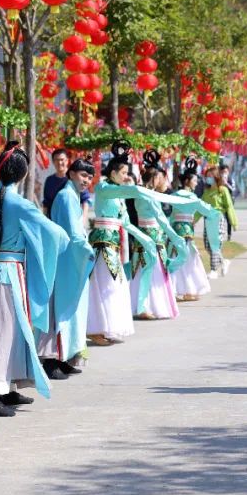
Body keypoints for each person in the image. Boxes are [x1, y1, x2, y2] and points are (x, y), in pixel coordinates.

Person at [0, 146, 68, 417]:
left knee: (8, 330)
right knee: (4, 332)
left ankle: (5, 386)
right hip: (9, 273)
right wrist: (70, 244)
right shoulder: (19, 203)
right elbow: (52, 233)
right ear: (24, 173)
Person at [87, 143, 157, 346]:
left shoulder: (117, 193)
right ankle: (95, 328)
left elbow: (125, 222)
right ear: (114, 172)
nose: (126, 176)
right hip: (102, 243)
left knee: (114, 286)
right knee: (103, 285)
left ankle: (105, 327)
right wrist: (140, 190)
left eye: (127, 172)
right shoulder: (103, 188)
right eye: (123, 172)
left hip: (113, 244)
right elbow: (130, 191)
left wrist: (145, 238)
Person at [36, 158, 96, 381]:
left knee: (72, 308)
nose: (86, 181)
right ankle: (52, 359)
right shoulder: (65, 196)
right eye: (83, 175)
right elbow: (72, 232)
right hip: (65, 259)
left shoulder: (72, 195)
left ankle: (64, 357)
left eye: (90, 178)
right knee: (60, 308)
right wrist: (88, 251)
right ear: (71, 173)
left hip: (71, 258)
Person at [129, 151, 190, 321]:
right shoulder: (150, 195)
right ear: (155, 178)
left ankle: (137, 305)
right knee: (153, 269)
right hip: (153, 236)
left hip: (142, 234)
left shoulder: (138, 193)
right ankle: (147, 306)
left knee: (141, 269)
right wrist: (174, 236)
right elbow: (161, 218)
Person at [169, 159, 220, 302]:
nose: (197, 183)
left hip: (175, 231)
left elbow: (170, 213)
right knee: (189, 260)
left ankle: (176, 290)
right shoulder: (192, 197)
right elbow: (206, 210)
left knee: (176, 258)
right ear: (188, 181)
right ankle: (186, 290)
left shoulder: (174, 195)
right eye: (195, 180)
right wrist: (216, 213)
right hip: (186, 232)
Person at [202, 166, 237, 277]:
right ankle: (223, 261)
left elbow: (229, 206)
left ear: (216, 177)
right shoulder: (206, 192)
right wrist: (194, 219)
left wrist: (233, 222)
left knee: (214, 244)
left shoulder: (223, 190)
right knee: (207, 246)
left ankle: (213, 270)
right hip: (208, 220)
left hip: (218, 219)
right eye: (207, 177)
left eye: (210, 176)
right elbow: (201, 206)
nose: (208, 179)